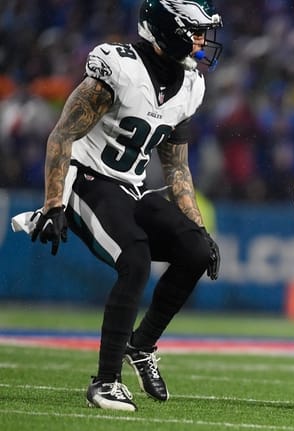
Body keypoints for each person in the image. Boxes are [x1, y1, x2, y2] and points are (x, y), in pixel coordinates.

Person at [25, 0, 223, 412]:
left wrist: (198, 226)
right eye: (195, 28)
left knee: (196, 250)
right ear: (167, 28)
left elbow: (177, 168)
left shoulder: (191, 85)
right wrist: (54, 203)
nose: (203, 39)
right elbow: (62, 135)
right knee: (135, 259)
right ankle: (106, 381)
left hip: (130, 188)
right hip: (87, 179)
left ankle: (143, 344)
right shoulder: (120, 68)